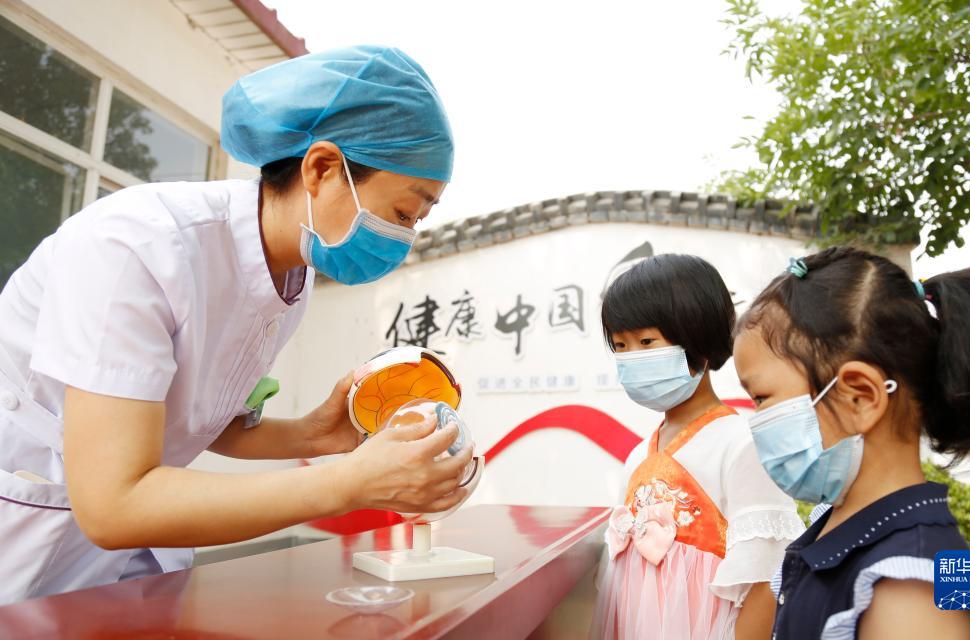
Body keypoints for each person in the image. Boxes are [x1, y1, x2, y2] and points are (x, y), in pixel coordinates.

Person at [0, 45, 474, 604]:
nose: (405, 238)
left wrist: (315, 434)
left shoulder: (289, 280)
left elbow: (197, 420)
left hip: (127, 561)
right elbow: (112, 504)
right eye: (402, 213)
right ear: (322, 168)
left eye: (418, 221)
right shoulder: (138, 247)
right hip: (29, 532)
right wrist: (350, 484)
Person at [733, 247, 970, 639]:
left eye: (762, 399)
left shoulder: (915, 587)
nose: (757, 420)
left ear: (860, 397)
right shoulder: (841, 524)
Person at [591, 254, 804, 639]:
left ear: (697, 337)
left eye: (646, 341)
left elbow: (765, 579)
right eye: (620, 345)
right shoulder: (638, 456)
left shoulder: (741, 446)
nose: (631, 358)